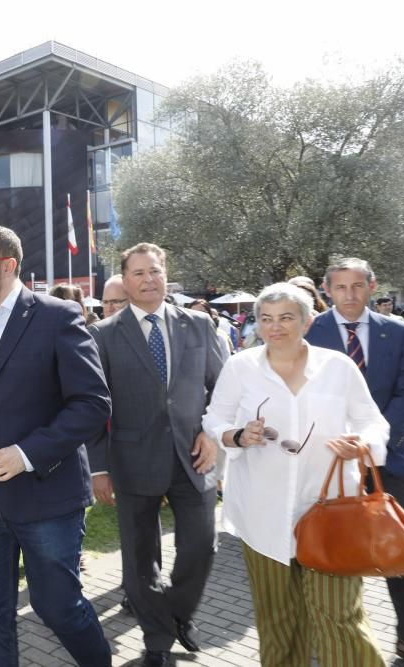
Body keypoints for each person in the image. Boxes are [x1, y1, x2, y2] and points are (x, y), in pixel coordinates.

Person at [0, 225, 112, 666]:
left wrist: (27, 453)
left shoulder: (57, 317)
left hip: (47, 496)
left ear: (8, 265)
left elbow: (91, 403)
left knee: (57, 606)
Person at [204, 282, 389, 666]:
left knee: (340, 616)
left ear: (306, 321)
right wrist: (237, 435)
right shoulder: (240, 367)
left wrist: (363, 445)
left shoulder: (337, 367)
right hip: (263, 515)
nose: (276, 327)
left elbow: (373, 422)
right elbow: (214, 418)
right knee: (278, 623)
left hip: (331, 513)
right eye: (266, 319)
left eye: (287, 317)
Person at [88, 243, 224, 667]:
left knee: (202, 547)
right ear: (124, 282)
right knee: (139, 559)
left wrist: (212, 432)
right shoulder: (104, 335)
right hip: (132, 462)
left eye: (156, 271)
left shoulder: (200, 326)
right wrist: (99, 468)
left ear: (167, 275)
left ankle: (177, 612)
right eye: (139, 273)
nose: (149, 279)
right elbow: (93, 405)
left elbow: (225, 390)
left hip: (194, 458)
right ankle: (158, 641)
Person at [305, 258, 404, 663]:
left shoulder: (396, 331)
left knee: (401, 551)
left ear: (371, 286)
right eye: (340, 287)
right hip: (328, 463)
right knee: (332, 551)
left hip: (391, 461)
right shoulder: (310, 331)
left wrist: (372, 441)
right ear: (327, 291)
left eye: (357, 286)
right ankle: (333, 637)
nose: (349, 295)